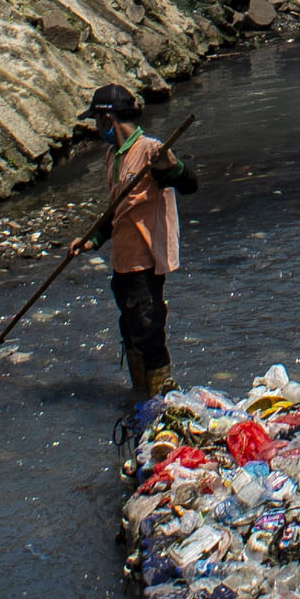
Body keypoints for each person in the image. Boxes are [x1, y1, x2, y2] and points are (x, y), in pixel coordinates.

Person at [89, 85, 195, 394]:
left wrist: (173, 168)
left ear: (109, 118)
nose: (97, 128)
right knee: (130, 328)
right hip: (122, 259)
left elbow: (189, 183)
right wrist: (94, 239)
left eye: (98, 120)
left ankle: (160, 399)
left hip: (145, 259)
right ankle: (139, 395)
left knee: (149, 330)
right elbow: (118, 209)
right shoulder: (113, 156)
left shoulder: (152, 151)